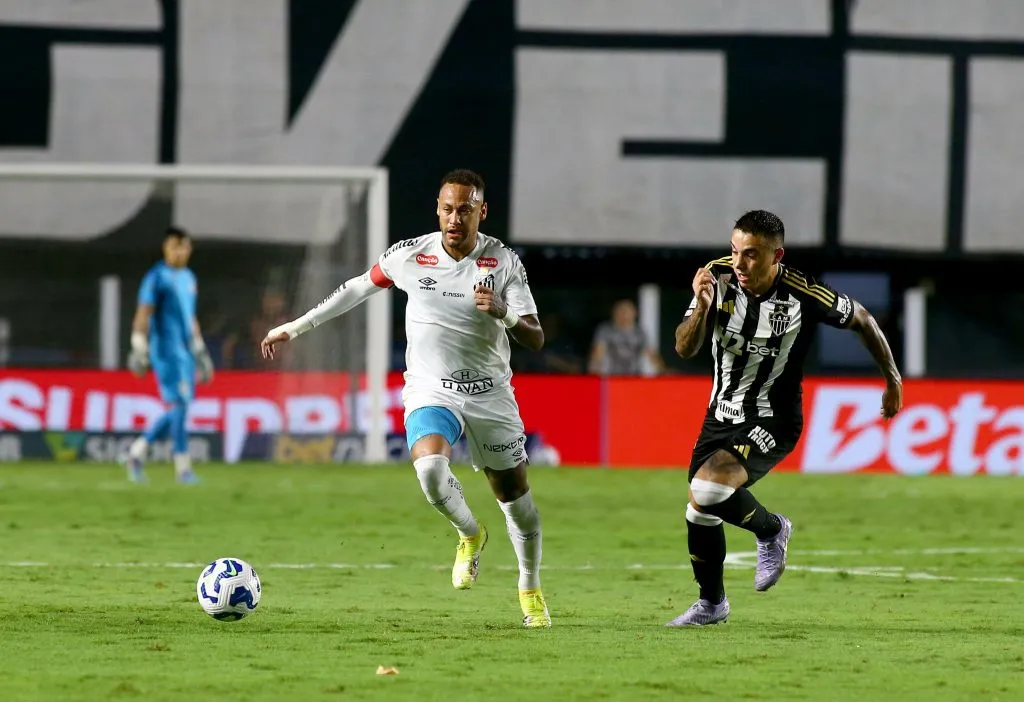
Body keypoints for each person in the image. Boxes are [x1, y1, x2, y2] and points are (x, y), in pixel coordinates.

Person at [260, 170, 552, 628]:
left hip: (490, 394)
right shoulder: (412, 254)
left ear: (482, 210)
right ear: (438, 209)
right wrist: (295, 327)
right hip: (430, 387)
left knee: (517, 503)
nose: (454, 218)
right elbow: (357, 287)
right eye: (447, 209)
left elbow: (535, 337)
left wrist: (505, 313)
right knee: (431, 470)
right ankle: (470, 534)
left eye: (465, 209)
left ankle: (530, 589)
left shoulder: (503, 262)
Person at [667, 209, 903, 627]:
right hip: (719, 416)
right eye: (735, 251)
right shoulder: (715, 279)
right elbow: (684, 348)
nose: (740, 264)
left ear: (777, 256)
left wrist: (892, 379)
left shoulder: (804, 292)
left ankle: (772, 529)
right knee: (700, 508)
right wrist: (701, 307)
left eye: (752, 255)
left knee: (708, 489)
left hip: (773, 418)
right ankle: (711, 603)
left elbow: (863, 319)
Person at [123, 226, 214, 484]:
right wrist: (138, 345)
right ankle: (183, 468)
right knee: (180, 406)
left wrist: (200, 351)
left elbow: (190, 318)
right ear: (166, 248)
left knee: (180, 407)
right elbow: (144, 312)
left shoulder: (189, 278)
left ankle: (137, 453)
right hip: (165, 350)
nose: (179, 252)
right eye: (175, 246)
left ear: (189, 249)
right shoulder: (157, 277)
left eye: (183, 247)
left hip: (185, 353)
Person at [588, 299, 665, 375]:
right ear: (614, 312)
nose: (624, 314)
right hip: (611, 377)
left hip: (634, 376)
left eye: (627, 311)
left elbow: (652, 354)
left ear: (634, 313)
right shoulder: (605, 331)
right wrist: (594, 375)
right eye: (620, 311)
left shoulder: (640, 333)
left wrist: (663, 372)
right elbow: (597, 355)